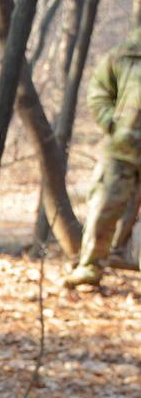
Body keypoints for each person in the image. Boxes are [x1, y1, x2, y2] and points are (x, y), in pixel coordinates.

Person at [65, 28, 141, 288]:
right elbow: (98, 92)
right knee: (104, 209)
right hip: (122, 150)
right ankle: (90, 268)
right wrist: (112, 124)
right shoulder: (125, 55)